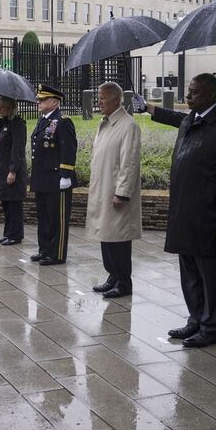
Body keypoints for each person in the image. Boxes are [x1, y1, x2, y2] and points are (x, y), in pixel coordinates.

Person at [133, 73, 216, 307]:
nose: (189, 96)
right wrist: (149, 108)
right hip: (195, 208)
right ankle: (200, 315)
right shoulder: (199, 118)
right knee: (194, 271)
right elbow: (181, 118)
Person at [160, 73, 216, 348]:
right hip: (186, 212)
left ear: (212, 95)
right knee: (190, 272)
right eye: (188, 91)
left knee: (211, 275)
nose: (188, 97)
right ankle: (195, 319)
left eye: (194, 92)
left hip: (210, 216)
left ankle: (211, 327)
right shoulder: (190, 120)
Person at [87, 82, 142, 299]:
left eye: (103, 98)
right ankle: (112, 276)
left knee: (118, 238)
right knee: (106, 236)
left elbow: (129, 162)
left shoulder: (128, 126)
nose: (99, 102)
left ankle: (123, 281)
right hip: (103, 188)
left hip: (116, 193)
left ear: (117, 100)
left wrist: (123, 192)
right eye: (98, 97)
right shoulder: (106, 123)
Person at [29, 85, 77, 266]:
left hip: (57, 179)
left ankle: (56, 254)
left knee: (57, 218)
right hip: (42, 178)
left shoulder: (63, 121)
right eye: (39, 99)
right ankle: (44, 250)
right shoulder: (43, 121)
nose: (39, 102)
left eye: (42, 100)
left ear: (54, 102)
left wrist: (66, 174)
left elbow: (68, 149)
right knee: (44, 217)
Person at [0, 97, 28, 246]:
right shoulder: (1, 124)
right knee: (6, 204)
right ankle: (8, 233)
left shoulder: (18, 124)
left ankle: (16, 235)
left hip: (11, 170)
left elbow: (18, 150)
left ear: (11, 108)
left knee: (14, 203)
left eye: (2, 107)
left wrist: (13, 170)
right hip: (1, 169)